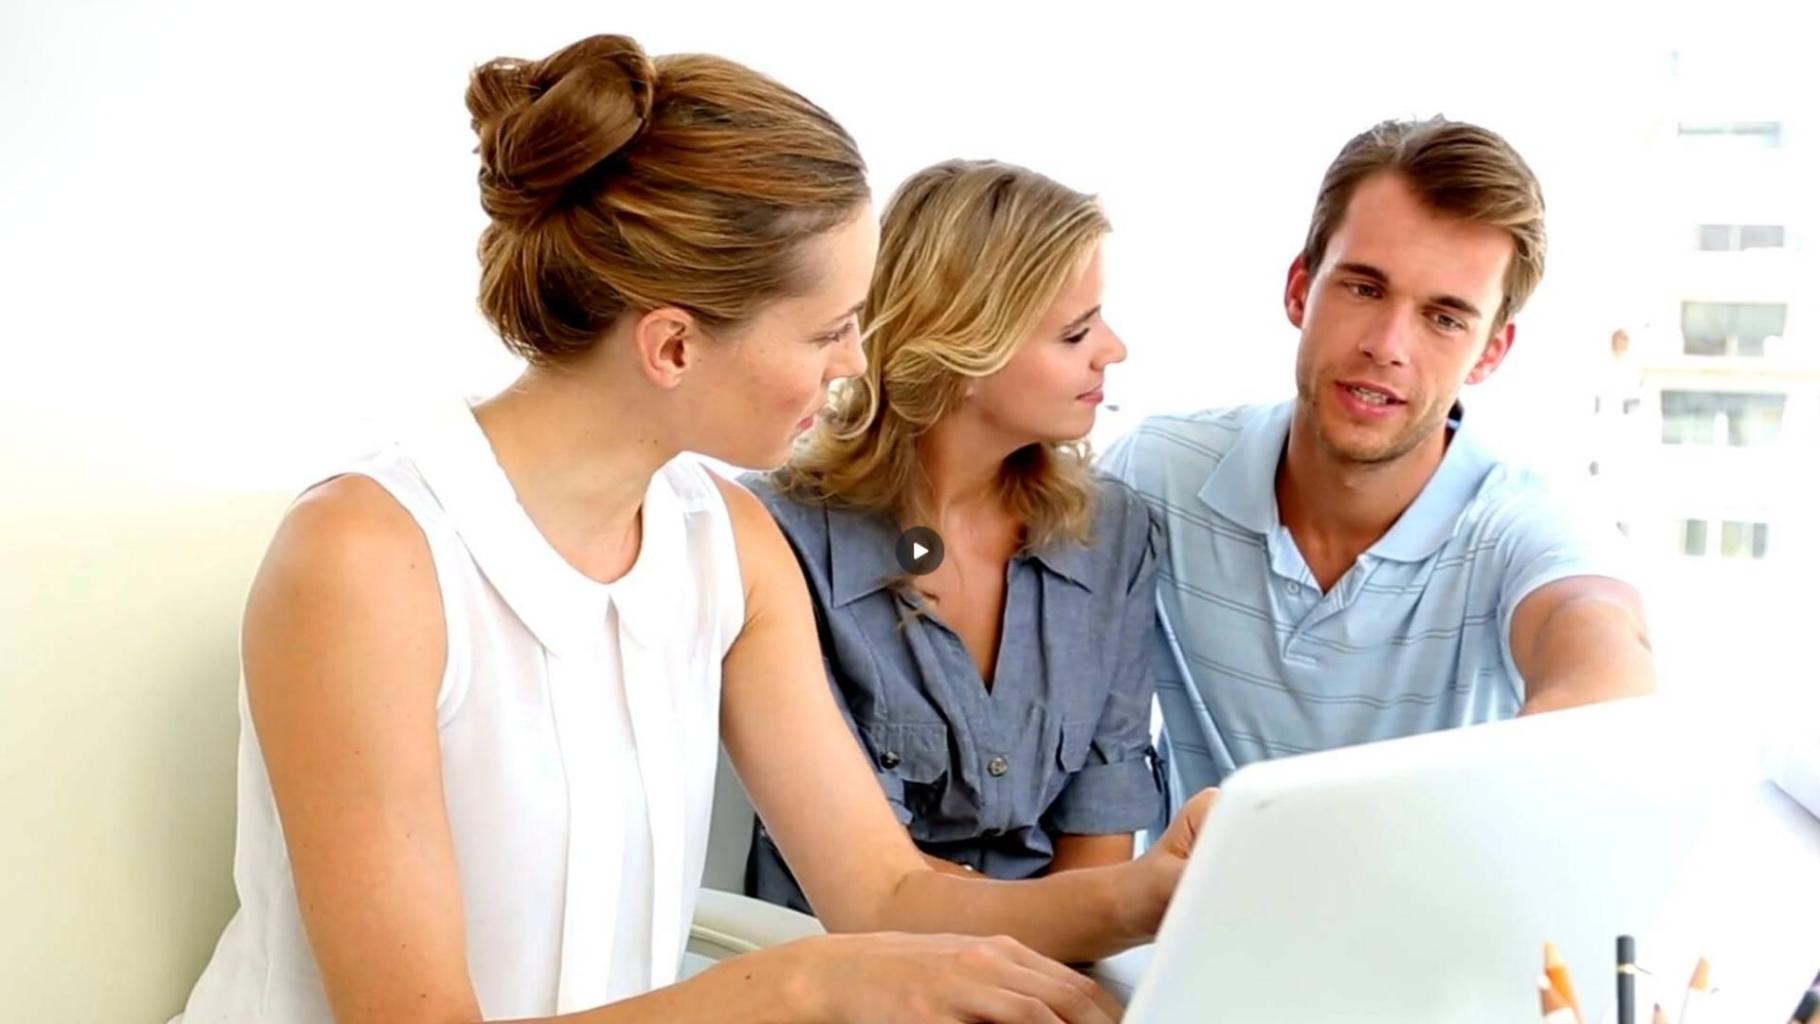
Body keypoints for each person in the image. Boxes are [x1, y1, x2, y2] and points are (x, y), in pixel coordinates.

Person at [174, 34, 1210, 1024]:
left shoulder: (724, 541)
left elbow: (886, 890)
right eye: (827, 330)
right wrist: (803, 988)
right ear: (671, 346)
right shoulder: (367, 561)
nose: (855, 364)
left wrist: (1148, 895)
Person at [1103, 117, 1656, 797]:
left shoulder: (1522, 525)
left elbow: (1600, 641)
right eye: (1364, 288)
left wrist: (1584, 732)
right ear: (1300, 288)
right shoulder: (1159, 473)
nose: (1388, 344)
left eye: (1444, 318)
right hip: (1185, 904)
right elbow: (962, 559)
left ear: (1490, 352)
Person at [742, 160, 1164, 915]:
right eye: (1075, 333)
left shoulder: (1114, 532)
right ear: (966, 350)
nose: (1115, 350)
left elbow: (1100, 827)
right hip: (854, 971)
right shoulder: (780, 540)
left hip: (1056, 963)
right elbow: (870, 882)